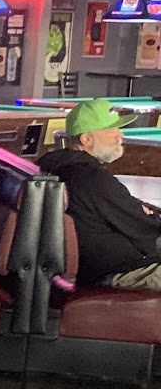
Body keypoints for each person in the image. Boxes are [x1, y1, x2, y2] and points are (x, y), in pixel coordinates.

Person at [39, 98, 161, 288]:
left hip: (101, 268)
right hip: (121, 273)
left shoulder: (57, 166)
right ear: (86, 139)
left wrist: (143, 212)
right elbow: (146, 227)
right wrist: (149, 215)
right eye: (112, 130)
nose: (120, 135)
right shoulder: (92, 178)